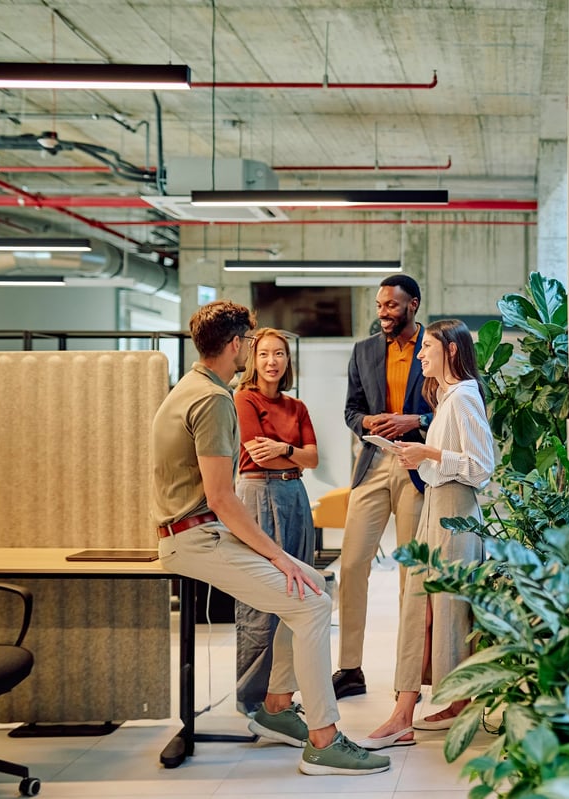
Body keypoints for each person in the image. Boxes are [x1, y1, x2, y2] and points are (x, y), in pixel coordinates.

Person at [150, 300, 388, 776]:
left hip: (196, 530)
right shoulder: (215, 399)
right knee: (312, 601)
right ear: (237, 345)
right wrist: (279, 556)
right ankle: (324, 739)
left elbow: (306, 458)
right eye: (254, 348)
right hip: (194, 537)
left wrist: (286, 559)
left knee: (312, 588)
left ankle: (279, 707)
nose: (262, 358)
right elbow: (223, 495)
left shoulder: (192, 387)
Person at [357, 319, 496, 751]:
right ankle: (417, 708)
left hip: (454, 508)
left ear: (451, 351)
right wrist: (415, 457)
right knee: (423, 607)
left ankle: (435, 707)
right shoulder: (449, 399)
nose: (420, 355)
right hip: (438, 505)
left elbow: (481, 467)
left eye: (428, 348)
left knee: (445, 609)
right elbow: (450, 460)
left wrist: (428, 452)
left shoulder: (463, 398)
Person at [333, 274, 433, 700]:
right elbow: (351, 410)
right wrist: (368, 422)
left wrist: (417, 421)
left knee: (412, 575)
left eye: (391, 306)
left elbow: (463, 399)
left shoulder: (436, 347)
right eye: (379, 305)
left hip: (416, 466)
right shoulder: (364, 351)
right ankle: (350, 669)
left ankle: (408, 679)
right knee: (353, 564)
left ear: (413, 305)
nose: (383, 313)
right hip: (373, 464)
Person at [233, 327, 319, 716]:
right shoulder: (243, 399)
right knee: (258, 599)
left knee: (296, 591)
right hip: (257, 494)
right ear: (254, 359)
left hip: (294, 497)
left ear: (287, 361)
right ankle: (252, 700)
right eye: (265, 354)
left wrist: (285, 448)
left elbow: (312, 459)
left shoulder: (296, 407)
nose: (272, 361)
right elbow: (258, 455)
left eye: (279, 355)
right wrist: (293, 453)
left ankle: (280, 695)